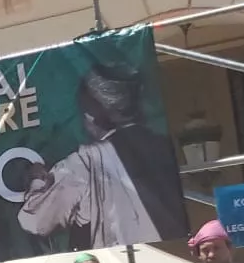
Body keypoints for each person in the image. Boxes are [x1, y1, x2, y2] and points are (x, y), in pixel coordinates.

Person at [17, 62, 187, 248]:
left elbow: (36, 222)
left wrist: (37, 180)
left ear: (91, 113)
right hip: (175, 253)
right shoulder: (167, 146)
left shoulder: (86, 161)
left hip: (123, 259)